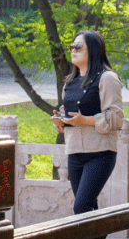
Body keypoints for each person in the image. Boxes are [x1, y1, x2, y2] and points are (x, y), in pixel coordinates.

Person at [51, 31, 124, 214]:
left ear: (92, 50)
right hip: (74, 152)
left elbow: (116, 119)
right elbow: (68, 114)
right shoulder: (70, 81)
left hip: (100, 153)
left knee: (81, 206)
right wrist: (60, 122)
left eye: (78, 47)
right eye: (71, 47)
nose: (73, 50)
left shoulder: (107, 78)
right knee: (89, 208)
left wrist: (84, 120)